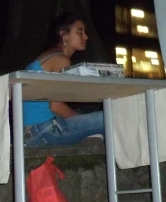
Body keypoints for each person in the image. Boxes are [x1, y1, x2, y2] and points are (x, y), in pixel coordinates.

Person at [22, 12, 105, 147]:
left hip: (31, 130)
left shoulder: (47, 56)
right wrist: (84, 122)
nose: (86, 36)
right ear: (64, 35)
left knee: (85, 115)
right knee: (110, 117)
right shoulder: (61, 60)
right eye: (79, 31)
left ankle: (84, 136)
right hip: (45, 131)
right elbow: (56, 107)